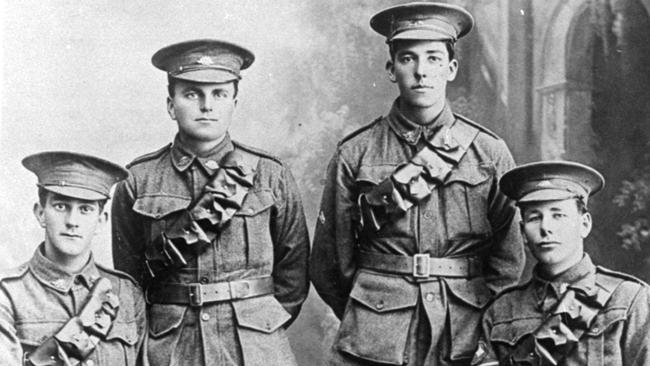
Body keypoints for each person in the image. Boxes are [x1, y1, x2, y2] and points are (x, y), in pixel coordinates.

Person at [310, 2, 524, 365]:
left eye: (434, 58)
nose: (421, 71)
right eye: (408, 58)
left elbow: (509, 258)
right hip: (374, 336)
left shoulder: (489, 152)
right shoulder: (355, 153)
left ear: (451, 68)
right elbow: (329, 261)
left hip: (465, 331)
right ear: (391, 69)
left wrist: (483, 319)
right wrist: (372, 307)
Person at [110, 39, 310, 366]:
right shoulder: (137, 180)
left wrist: (261, 324)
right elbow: (129, 277)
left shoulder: (270, 175)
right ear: (171, 104)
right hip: (171, 347)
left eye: (218, 94)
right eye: (192, 93)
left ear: (234, 102)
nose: (207, 105)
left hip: (255, 347)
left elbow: (294, 273)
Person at [471, 161, 650, 366]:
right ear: (522, 232)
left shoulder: (628, 300)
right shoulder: (502, 310)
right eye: (534, 217)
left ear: (584, 224)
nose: (546, 227)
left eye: (558, 215)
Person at [0, 151, 146, 365]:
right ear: (41, 213)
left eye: (85, 209)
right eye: (61, 206)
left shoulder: (126, 293)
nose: (72, 221)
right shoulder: (9, 295)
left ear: (102, 220)